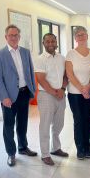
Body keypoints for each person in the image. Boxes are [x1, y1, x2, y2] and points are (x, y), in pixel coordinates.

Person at [0, 24, 37, 167]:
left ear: (19, 37)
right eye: (11, 35)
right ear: (6, 37)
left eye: (16, 35)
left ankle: (23, 147)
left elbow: (30, 71)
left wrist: (33, 90)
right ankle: (11, 153)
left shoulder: (25, 52)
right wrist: (4, 96)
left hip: (24, 93)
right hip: (9, 97)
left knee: (23, 123)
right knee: (8, 125)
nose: (13, 37)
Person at [34, 33, 69, 166]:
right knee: (45, 124)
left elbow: (66, 76)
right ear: (43, 43)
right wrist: (55, 92)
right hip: (46, 95)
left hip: (60, 94)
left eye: (53, 41)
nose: (50, 44)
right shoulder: (40, 59)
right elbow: (41, 79)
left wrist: (62, 89)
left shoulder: (62, 58)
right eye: (47, 41)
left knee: (59, 124)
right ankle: (45, 154)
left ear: (56, 43)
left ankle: (55, 148)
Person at [66, 26, 90, 160]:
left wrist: (88, 87)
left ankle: (87, 146)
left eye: (83, 34)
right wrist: (82, 88)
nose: (81, 37)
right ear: (75, 38)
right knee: (78, 120)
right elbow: (69, 74)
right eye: (78, 35)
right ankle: (80, 148)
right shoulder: (71, 54)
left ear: (87, 36)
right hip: (74, 93)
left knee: (88, 120)